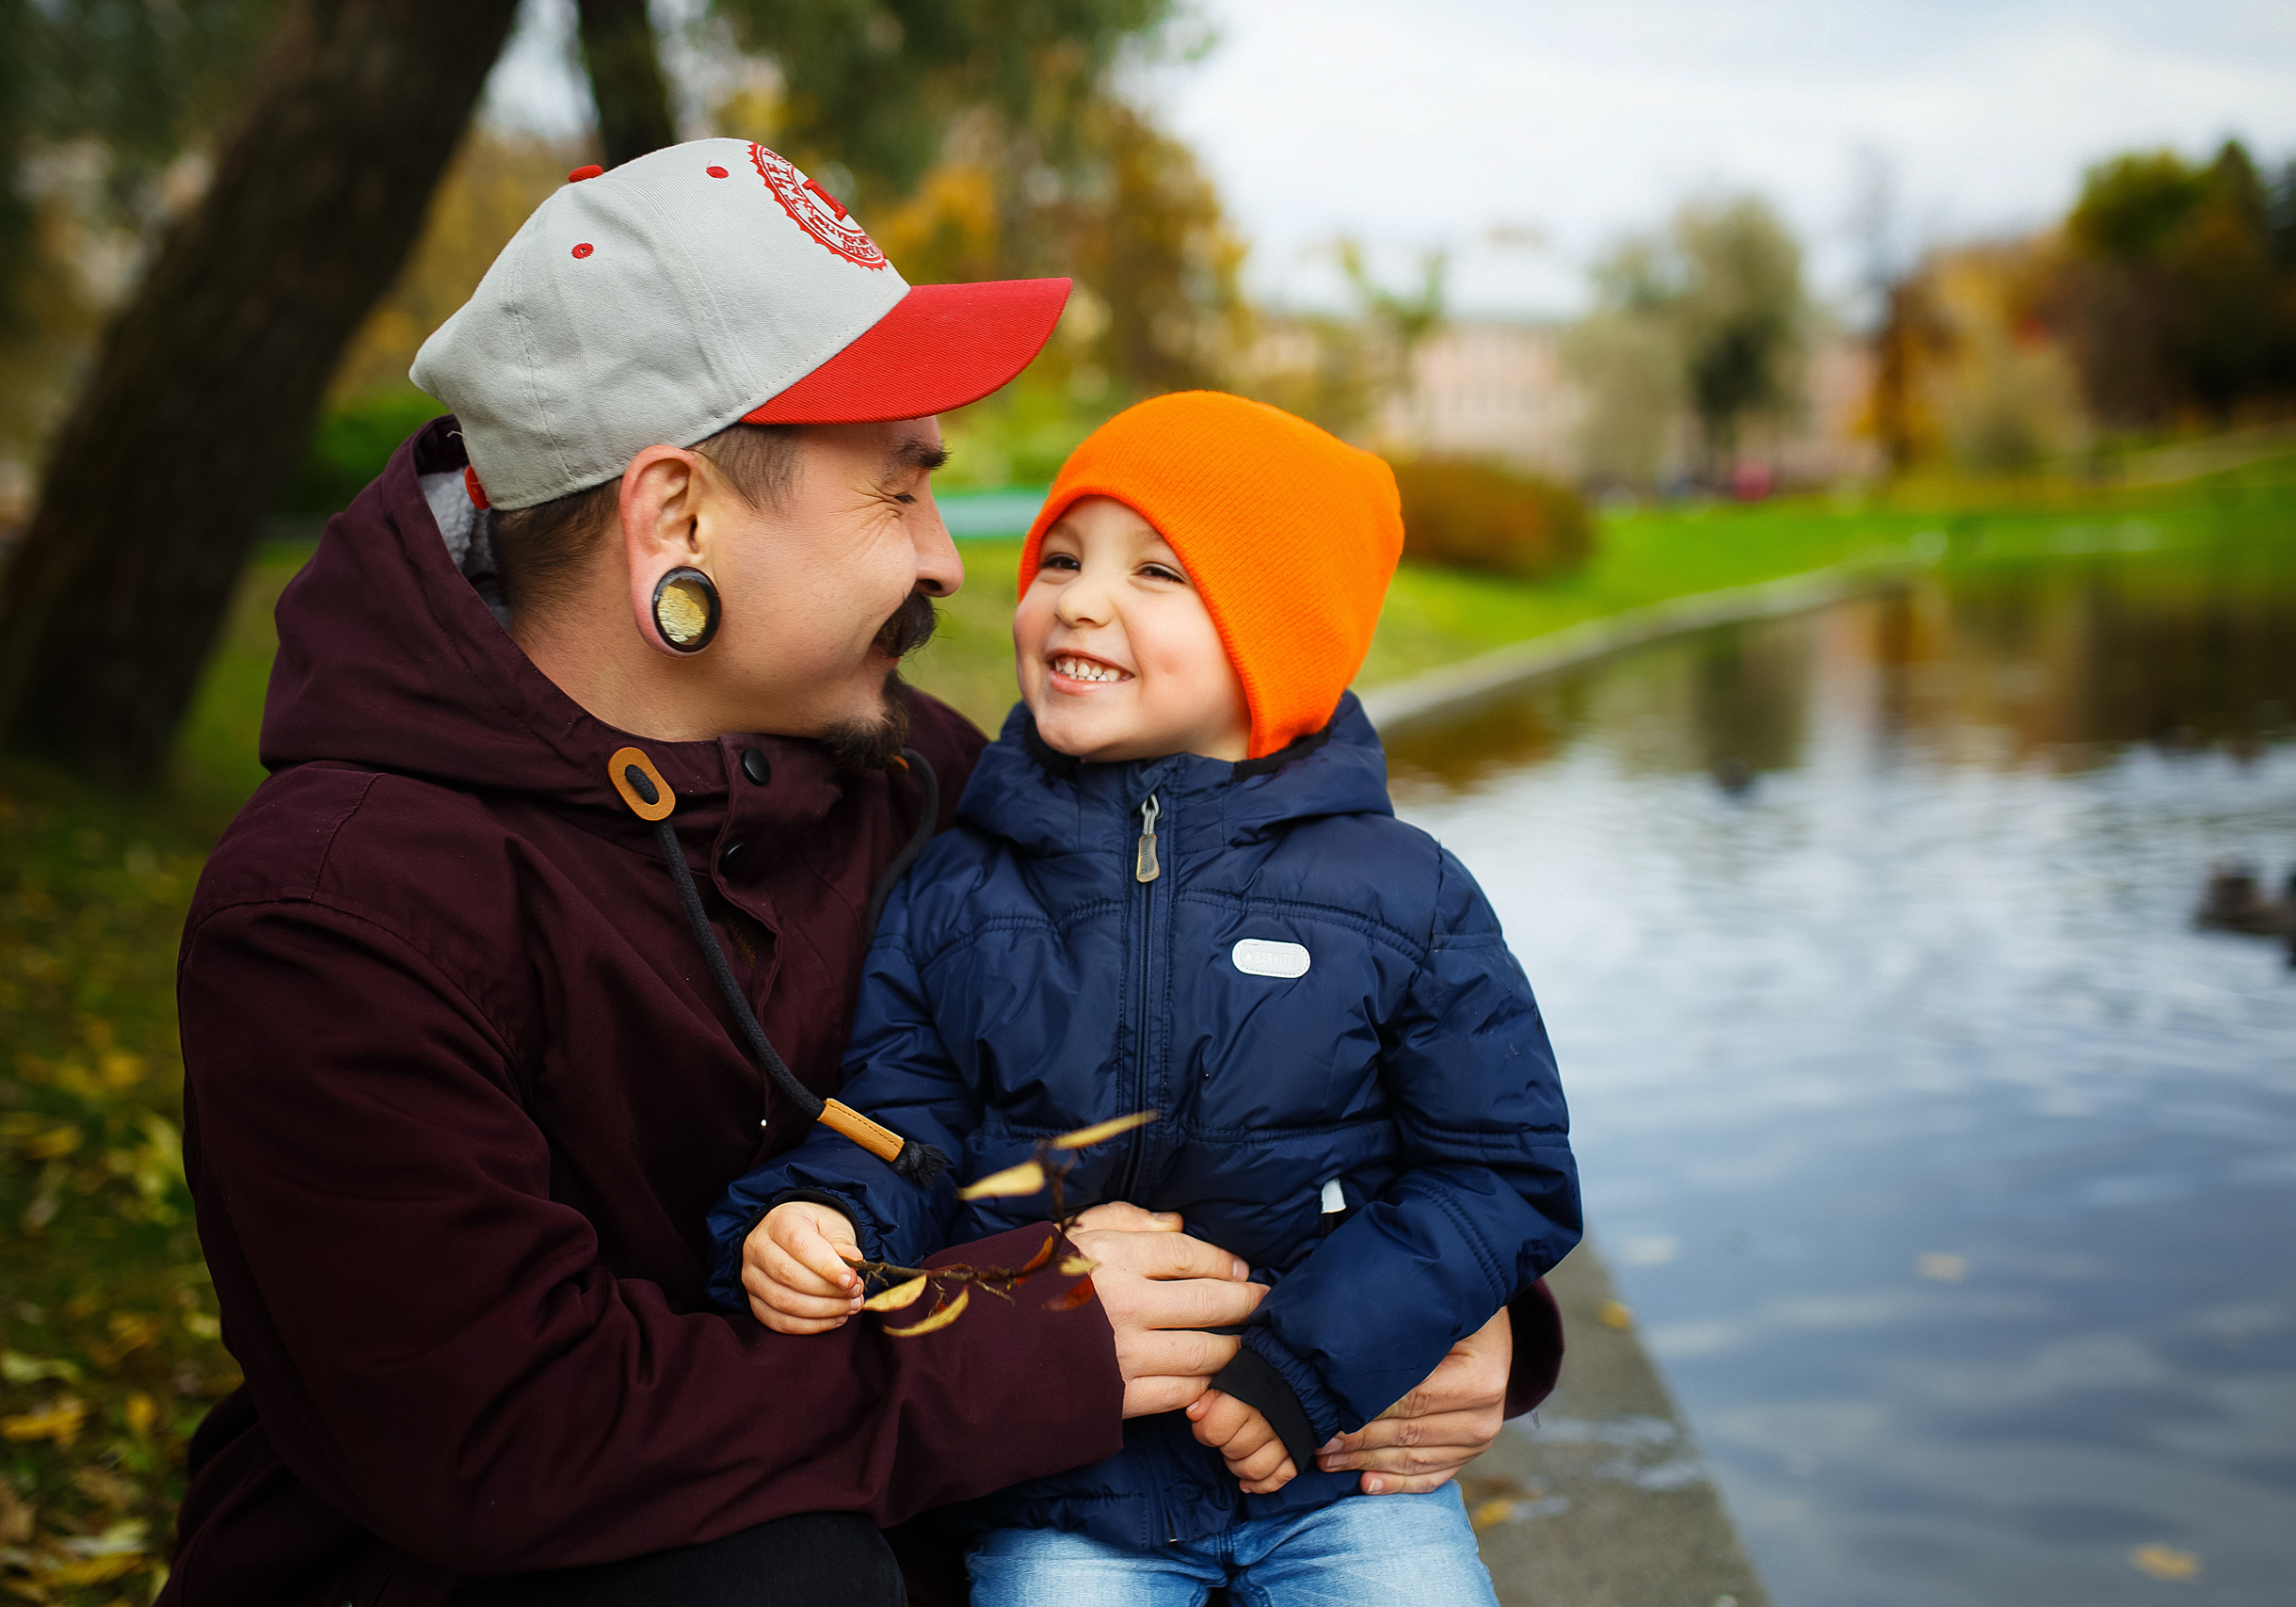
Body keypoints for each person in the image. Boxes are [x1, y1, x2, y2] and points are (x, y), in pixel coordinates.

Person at [167, 139, 1561, 1607]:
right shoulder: (331, 912)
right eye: (901, 493)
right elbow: (500, 1430)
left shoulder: (923, 779)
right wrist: (1022, 1346)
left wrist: (1461, 1324)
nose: (953, 565)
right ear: (677, 521)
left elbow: (1211, 1048)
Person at [709, 391, 1582, 1605]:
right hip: (1069, 1492)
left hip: (1339, 1471)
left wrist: (1311, 1368)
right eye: (1060, 558)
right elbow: (907, 1124)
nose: (1077, 597)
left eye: (1157, 572)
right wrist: (824, 1220)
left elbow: (1504, 1169)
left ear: (1273, 640)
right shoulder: (958, 884)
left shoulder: (1404, 895)